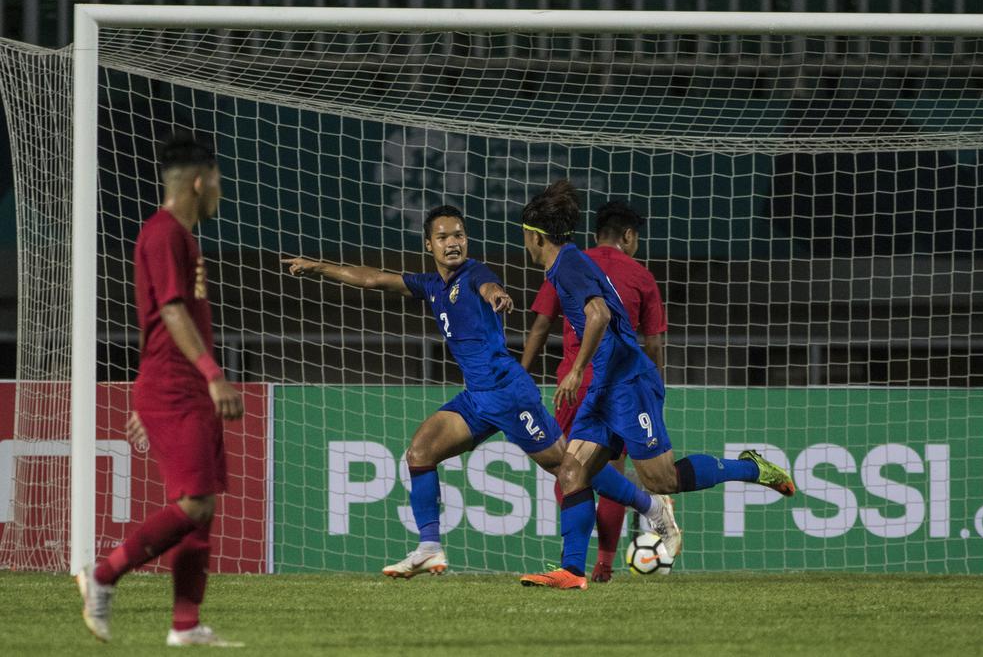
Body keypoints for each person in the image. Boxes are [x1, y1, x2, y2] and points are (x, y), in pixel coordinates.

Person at [282, 205, 679, 580]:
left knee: (568, 469)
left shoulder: (475, 273)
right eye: (443, 237)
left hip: (509, 394)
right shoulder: (430, 285)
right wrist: (319, 267)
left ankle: (650, 506)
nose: (453, 243)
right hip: (476, 398)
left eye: (459, 235)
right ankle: (429, 547)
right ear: (429, 245)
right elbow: (374, 279)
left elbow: (489, 287)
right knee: (420, 452)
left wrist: (497, 295)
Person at [518, 180, 795, 591]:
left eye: (524, 234)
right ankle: (572, 570)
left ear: (536, 237)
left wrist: (576, 370)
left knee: (661, 480)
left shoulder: (570, 266)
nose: (524, 241)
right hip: (605, 384)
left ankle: (753, 468)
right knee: (572, 471)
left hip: (628, 382)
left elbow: (599, 315)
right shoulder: (567, 264)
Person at [76, 132, 245, 647]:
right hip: (178, 388)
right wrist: (212, 374)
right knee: (193, 505)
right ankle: (103, 575)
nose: (220, 190)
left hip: (177, 387)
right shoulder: (165, 233)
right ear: (199, 181)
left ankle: (185, 625)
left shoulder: (181, 237)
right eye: (217, 180)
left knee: (203, 507)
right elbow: (169, 311)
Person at [521, 200, 667, 583]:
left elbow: (541, 324)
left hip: (573, 383)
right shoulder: (641, 275)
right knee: (600, 469)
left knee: (567, 471)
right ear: (629, 236)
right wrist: (653, 393)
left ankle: (575, 564)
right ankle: (602, 564)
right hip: (618, 384)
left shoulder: (571, 263)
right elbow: (653, 344)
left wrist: (522, 372)